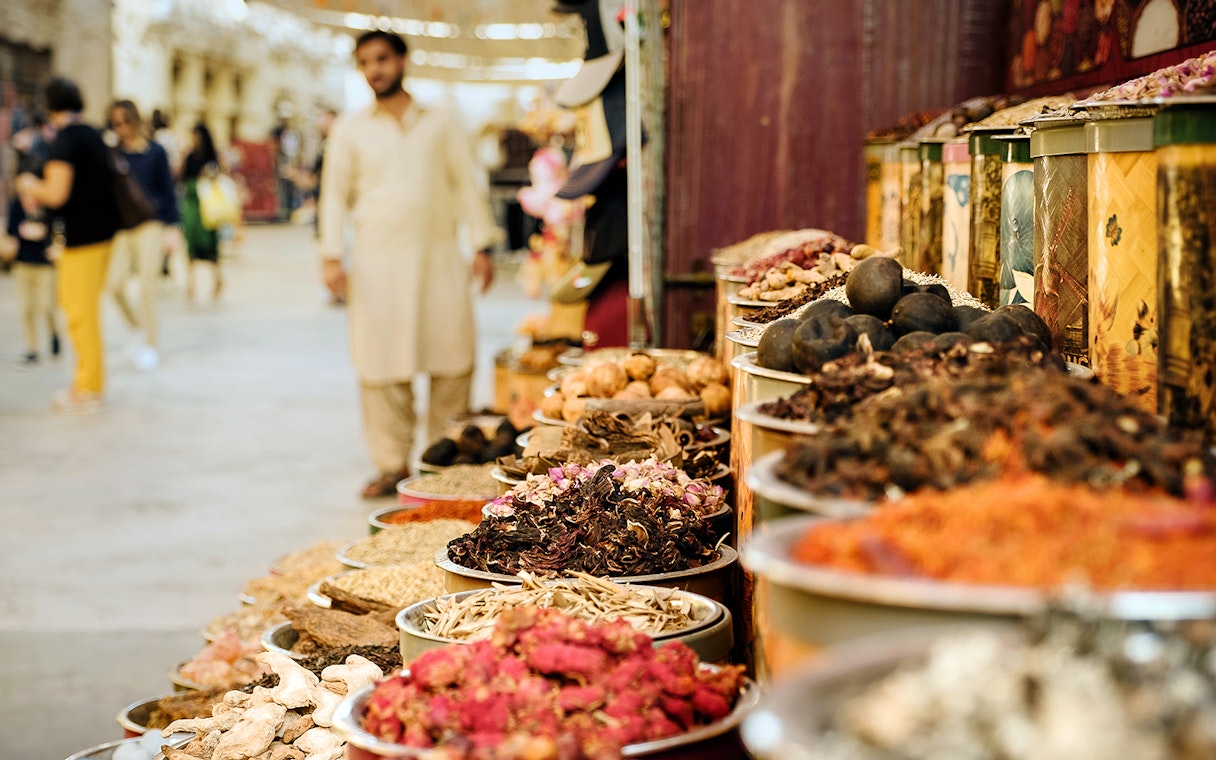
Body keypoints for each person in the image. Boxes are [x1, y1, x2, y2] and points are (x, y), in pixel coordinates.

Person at [319, 30, 503, 499]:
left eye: (381, 58)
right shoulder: (351, 128)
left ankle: (441, 462)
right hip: (377, 263)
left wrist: (482, 244)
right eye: (365, 62)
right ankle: (390, 464)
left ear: (402, 60)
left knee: (452, 355)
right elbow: (334, 195)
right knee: (381, 365)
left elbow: (465, 184)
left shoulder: (441, 121)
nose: (374, 69)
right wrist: (331, 255)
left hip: (439, 258)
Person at [15, 77, 120, 411]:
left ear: (50, 106)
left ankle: (87, 387)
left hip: (81, 239)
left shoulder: (65, 140)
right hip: (103, 235)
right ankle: (91, 383)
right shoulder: (92, 134)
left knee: (78, 312)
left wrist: (29, 184)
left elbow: (57, 193)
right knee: (84, 309)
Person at [106, 100, 180, 370]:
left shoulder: (155, 152)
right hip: (123, 228)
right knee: (113, 285)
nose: (121, 128)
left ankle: (150, 343)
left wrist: (173, 227)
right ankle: (137, 327)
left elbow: (168, 191)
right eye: (115, 123)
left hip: (151, 224)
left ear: (136, 120)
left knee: (148, 287)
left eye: (125, 121)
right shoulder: (113, 154)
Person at [2, 191, 60, 364]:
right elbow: (10, 230)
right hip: (22, 263)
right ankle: (32, 348)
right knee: (26, 308)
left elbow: (58, 230)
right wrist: (19, 233)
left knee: (47, 305)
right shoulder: (16, 206)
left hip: (45, 265)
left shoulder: (48, 204)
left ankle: (53, 333)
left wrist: (48, 238)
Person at [179, 122, 222, 300]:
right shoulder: (189, 156)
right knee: (191, 242)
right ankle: (191, 284)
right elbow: (182, 177)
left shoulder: (211, 157)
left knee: (210, 243)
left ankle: (217, 279)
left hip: (207, 204)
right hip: (191, 203)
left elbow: (218, 175)